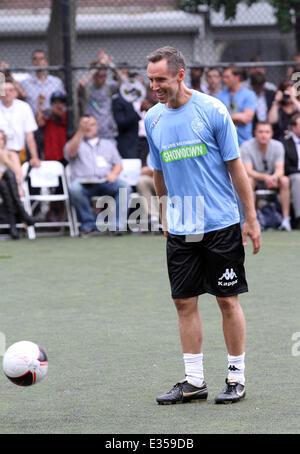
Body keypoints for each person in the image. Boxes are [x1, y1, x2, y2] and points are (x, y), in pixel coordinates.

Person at [145, 46, 261, 405]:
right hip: (182, 225)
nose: (155, 87)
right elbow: (158, 171)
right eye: (150, 80)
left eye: (160, 79)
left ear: (180, 75)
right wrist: (164, 212)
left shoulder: (212, 110)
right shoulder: (153, 118)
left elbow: (235, 167)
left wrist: (251, 217)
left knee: (226, 300)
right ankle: (194, 381)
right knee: (183, 302)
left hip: (220, 222)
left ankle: (236, 377)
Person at [64, 115, 132, 236]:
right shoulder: (74, 143)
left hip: (105, 181)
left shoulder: (108, 144)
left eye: (91, 124)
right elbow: (70, 153)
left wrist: (113, 174)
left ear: (97, 127)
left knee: (124, 187)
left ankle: (117, 225)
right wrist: (80, 131)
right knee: (74, 189)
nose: (88, 128)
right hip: (83, 183)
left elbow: (118, 164)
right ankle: (89, 225)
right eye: (85, 125)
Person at [240, 121, 291, 231]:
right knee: (248, 180)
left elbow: (280, 170)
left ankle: (286, 220)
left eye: (267, 132)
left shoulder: (278, 146)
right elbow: (248, 171)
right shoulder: (246, 146)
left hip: (273, 180)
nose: (264, 135)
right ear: (255, 133)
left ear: (271, 133)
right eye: (261, 132)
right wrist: (265, 177)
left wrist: (273, 177)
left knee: (285, 180)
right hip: (256, 180)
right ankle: (251, 219)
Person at [78, 49, 123, 140]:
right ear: (93, 75)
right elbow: (81, 84)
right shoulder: (88, 90)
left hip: (108, 133)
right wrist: (99, 65)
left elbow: (124, 83)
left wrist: (111, 65)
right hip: (91, 133)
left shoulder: (109, 87)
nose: (100, 79)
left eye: (103, 76)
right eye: (98, 75)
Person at [0, 130, 34, 239]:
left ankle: (13, 225)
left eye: (1, 139)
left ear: (4, 141)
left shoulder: (11, 154)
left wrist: (5, 160)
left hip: (9, 188)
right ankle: (23, 214)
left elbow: (18, 174)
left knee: (8, 178)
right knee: (5, 180)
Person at [0, 79, 40, 167]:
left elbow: (29, 136)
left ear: (15, 93)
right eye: (4, 90)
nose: (7, 93)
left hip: (19, 154)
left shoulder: (24, 107)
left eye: (10, 90)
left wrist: (34, 157)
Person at [216, 65, 257, 145]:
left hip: (245, 143)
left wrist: (225, 117)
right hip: (225, 143)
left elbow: (246, 118)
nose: (224, 80)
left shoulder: (249, 94)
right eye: (223, 77)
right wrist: (238, 117)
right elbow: (216, 119)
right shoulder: (219, 96)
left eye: (227, 77)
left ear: (237, 77)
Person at [21, 50, 65, 115]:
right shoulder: (25, 83)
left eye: (41, 59)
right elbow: (4, 93)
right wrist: (3, 74)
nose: (38, 62)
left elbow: (63, 102)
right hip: (32, 119)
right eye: (35, 59)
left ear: (46, 62)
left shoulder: (56, 82)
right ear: (32, 63)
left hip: (52, 120)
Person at [36, 91, 67, 163]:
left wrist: (52, 111)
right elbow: (39, 122)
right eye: (55, 103)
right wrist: (40, 105)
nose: (58, 105)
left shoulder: (67, 117)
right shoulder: (49, 118)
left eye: (61, 103)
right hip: (50, 157)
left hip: (65, 156)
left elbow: (60, 116)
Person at [283, 113, 300, 229]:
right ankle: (299, 218)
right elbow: (286, 167)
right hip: (293, 176)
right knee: (298, 179)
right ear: (293, 127)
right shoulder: (284, 143)